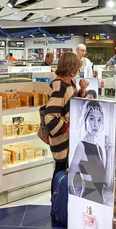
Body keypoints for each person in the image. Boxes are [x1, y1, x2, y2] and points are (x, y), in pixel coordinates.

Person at [45, 52, 88, 193]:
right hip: (62, 140)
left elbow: (72, 103)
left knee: (62, 171)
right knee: (60, 171)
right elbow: (50, 118)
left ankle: (59, 204)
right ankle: (57, 203)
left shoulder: (68, 83)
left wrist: (82, 90)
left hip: (67, 139)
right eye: (77, 67)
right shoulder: (60, 87)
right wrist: (69, 126)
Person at [68, 101, 114, 206]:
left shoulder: (99, 149)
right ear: (85, 120)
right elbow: (69, 179)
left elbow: (107, 183)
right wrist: (74, 202)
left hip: (99, 203)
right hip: (86, 202)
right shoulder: (81, 146)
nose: (96, 124)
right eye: (92, 119)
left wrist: (109, 153)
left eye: (99, 120)